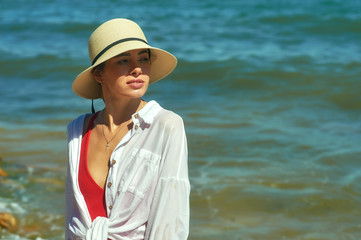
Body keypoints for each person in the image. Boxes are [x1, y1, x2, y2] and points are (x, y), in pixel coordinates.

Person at [65, 18, 190, 240]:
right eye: (123, 60)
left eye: (144, 59)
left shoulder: (166, 126)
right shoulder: (78, 131)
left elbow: (170, 221)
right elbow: (72, 220)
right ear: (98, 74)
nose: (137, 69)